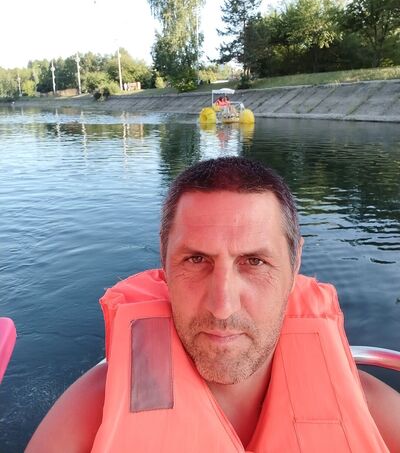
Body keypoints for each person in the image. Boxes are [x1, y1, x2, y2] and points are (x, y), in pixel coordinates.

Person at [27, 157, 400, 452]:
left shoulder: (377, 414)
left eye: (254, 262)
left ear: (295, 263)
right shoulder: (88, 416)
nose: (222, 306)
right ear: (164, 261)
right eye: (196, 260)